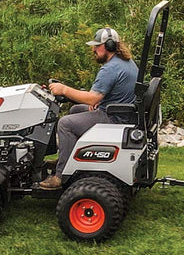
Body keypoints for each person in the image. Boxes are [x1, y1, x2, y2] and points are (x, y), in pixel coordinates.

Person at [38, 27, 138, 190]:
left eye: (97, 46)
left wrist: (64, 89)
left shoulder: (110, 69)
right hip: (121, 111)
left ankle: (60, 176)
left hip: (114, 117)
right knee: (75, 110)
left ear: (110, 46)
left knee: (65, 123)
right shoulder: (126, 62)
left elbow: (93, 97)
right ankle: (68, 157)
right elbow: (107, 94)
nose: (93, 49)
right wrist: (98, 100)